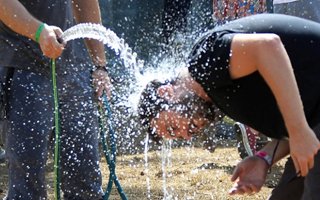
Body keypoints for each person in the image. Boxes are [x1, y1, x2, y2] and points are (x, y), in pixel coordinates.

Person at [138, 13, 320, 199]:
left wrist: (298, 130)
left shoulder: (204, 60)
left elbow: (268, 46)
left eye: (173, 127)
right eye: (177, 136)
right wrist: (264, 158)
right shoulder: (218, 97)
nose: (186, 135)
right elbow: (297, 125)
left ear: (167, 93)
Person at [0, 0, 110, 199]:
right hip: (22, 69)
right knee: (27, 188)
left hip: (74, 69)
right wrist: (38, 31)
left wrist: (100, 65)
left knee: (86, 185)